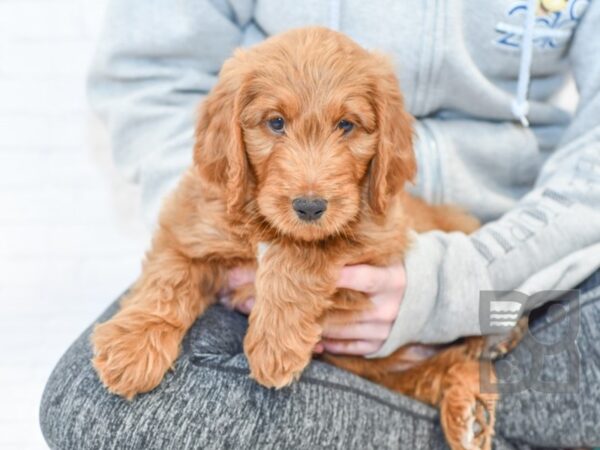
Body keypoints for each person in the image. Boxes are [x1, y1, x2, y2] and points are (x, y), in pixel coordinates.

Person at [40, 0, 600, 448]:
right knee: (97, 406)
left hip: (513, 242)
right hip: (254, 267)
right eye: (275, 123)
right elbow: (149, 79)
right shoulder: (235, 114)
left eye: (348, 126)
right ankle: (467, 395)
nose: (310, 186)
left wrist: (449, 284)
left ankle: (457, 385)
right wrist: (247, 254)